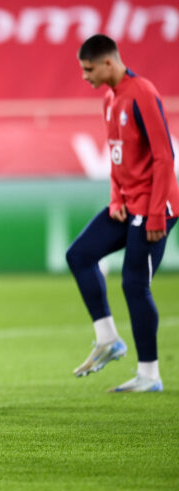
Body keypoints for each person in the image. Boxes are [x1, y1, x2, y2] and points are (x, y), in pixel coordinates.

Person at [66, 34, 179, 392]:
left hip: (154, 206)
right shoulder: (110, 100)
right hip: (128, 204)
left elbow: (164, 156)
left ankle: (149, 375)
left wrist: (158, 215)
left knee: (134, 284)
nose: (85, 76)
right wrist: (116, 198)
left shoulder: (142, 92)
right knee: (80, 255)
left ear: (109, 63)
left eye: (88, 69)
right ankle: (108, 339)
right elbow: (117, 158)